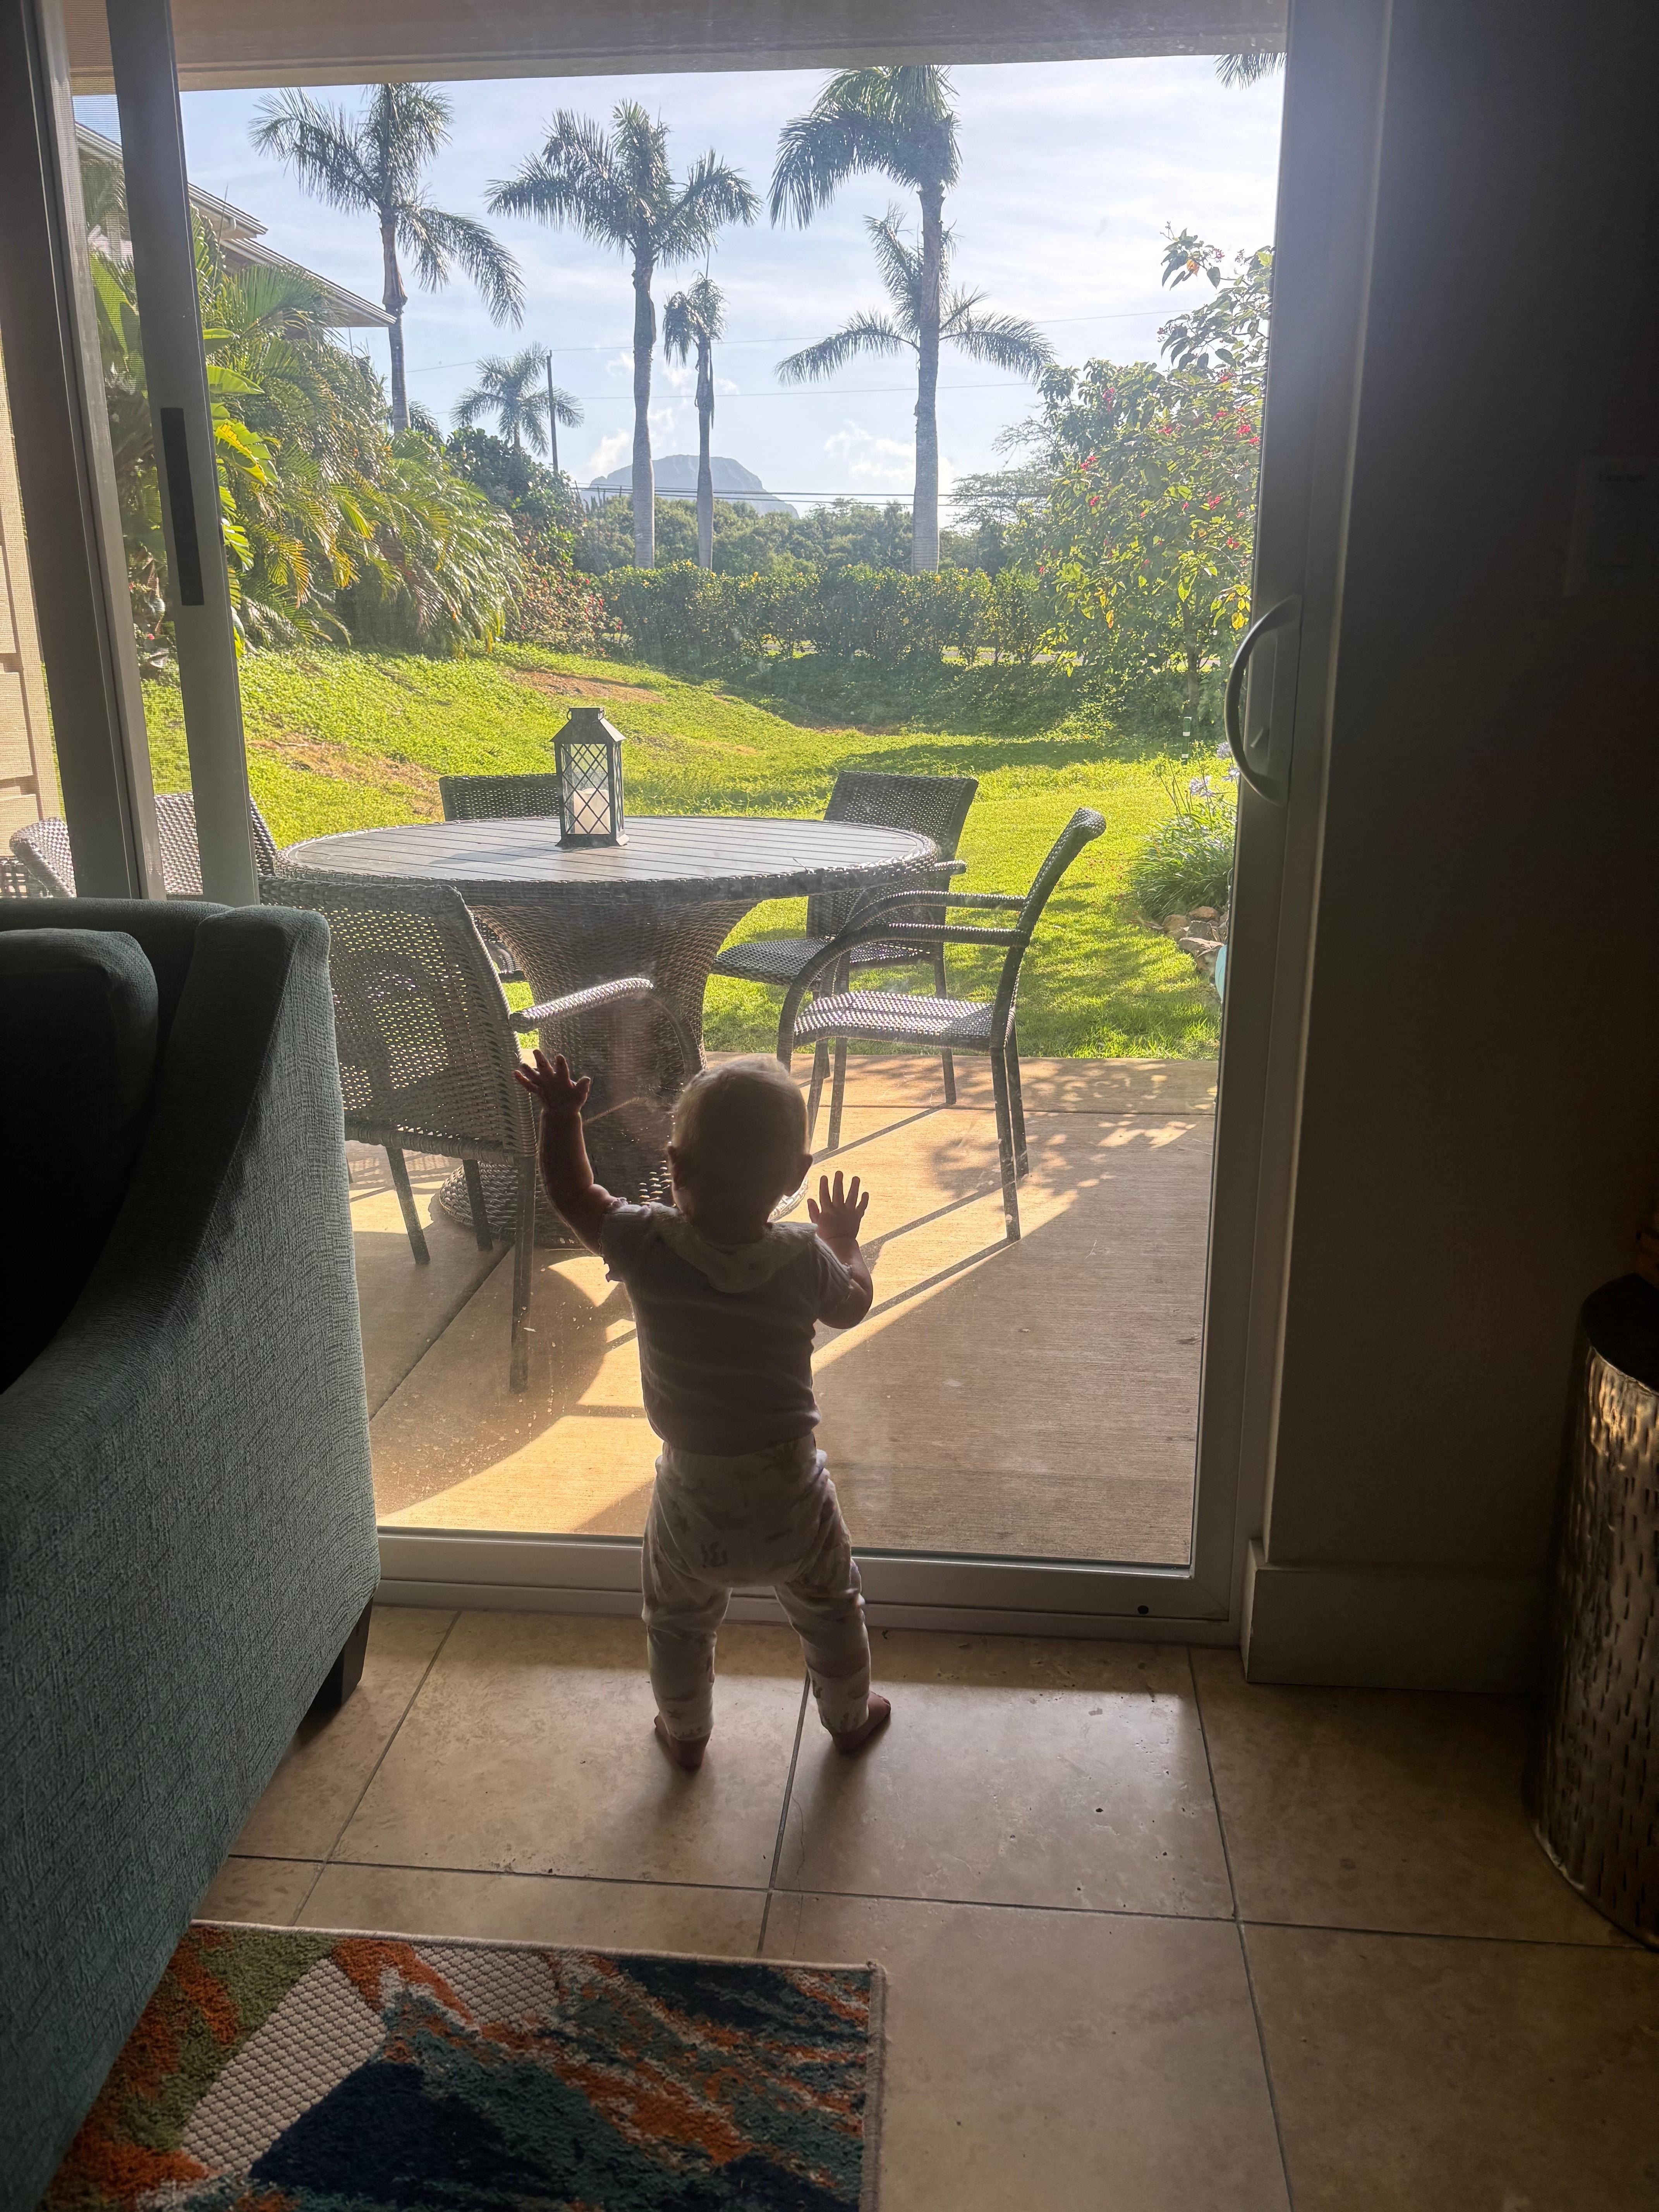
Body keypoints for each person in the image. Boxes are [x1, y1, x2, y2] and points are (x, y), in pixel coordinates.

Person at [514, 1048, 891, 1771]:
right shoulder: (805, 1256)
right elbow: (854, 1302)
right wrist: (845, 1240)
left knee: (679, 1623)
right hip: (791, 1490)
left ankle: (685, 1734)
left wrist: (563, 1116)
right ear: (794, 1176)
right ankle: (848, 1718)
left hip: (693, 1495)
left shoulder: (646, 1243)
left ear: (675, 1164)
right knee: (833, 1607)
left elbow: (572, 1191)